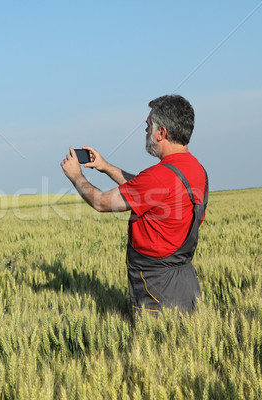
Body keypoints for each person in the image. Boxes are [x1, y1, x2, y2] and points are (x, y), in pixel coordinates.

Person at [61, 94, 208, 314]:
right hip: (184, 282)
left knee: (159, 346)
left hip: (156, 287)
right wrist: (105, 166)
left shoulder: (158, 177)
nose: (146, 131)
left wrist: (76, 176)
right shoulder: (197, 170)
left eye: (148, 126)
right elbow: (146, 190)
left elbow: (101, 203)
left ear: (162, 133)